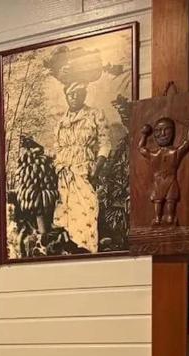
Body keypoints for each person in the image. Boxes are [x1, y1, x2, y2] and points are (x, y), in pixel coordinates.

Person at [53, 81, 111, 252]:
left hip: (84, 169)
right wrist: (59, 165)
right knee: (66, 212)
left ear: (85, 94)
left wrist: (97, 167)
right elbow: (57, 147)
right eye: (71, 93)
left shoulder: (95, 114)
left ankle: (87, 250)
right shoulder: (61, 121)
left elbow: (105, 143)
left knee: (87, 209)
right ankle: (71, 250)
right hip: (64, 171)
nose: (75, 97)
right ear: (66, 96)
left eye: (79, 92)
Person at [138, 117, 189, 225]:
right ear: (154, 134)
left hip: (168, 180)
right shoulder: (153, 154)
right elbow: (141, 148)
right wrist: (144, 134)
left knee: (170, 199)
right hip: (159, 181)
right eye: (158, 131)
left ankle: (169, 217)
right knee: (159, 200)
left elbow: (188, 142)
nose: (163, 134)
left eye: (167, 130)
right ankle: (158, 218)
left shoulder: (175, 152)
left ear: (173, 132)